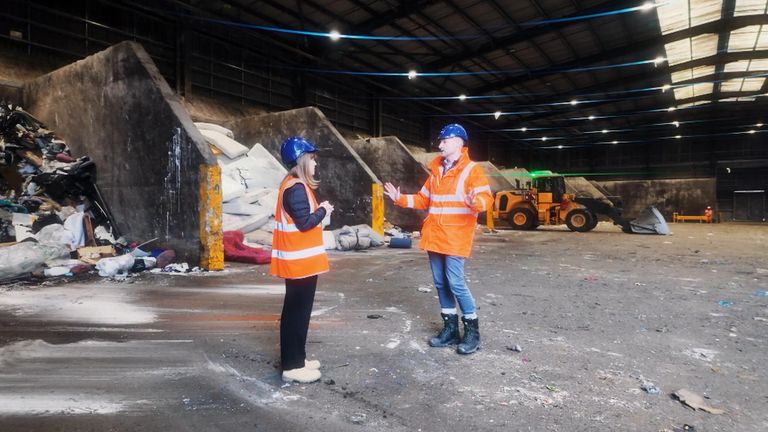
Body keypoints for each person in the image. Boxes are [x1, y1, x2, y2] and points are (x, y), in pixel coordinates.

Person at [383, 123, 493, 355]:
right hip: (435, 236)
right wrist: (400, 198)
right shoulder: (436, 172)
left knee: (456, 283)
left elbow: (485, 199)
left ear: (458, 143)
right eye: (440, 140)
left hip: (455, 237)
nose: (440, 144)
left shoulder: (472, 170)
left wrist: (476, 202)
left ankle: (472, 332)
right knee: (441, 284)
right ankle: (450, 329)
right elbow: (424, 200)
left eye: (444, 140)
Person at [270, 136, 334, 383]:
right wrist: (323, 211)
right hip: (299, 265)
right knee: (296, 313)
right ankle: (292, 366)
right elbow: (305, 222)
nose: (315, 164)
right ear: (302, 160)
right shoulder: (295, 188)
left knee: (298, 312)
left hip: (301, 263)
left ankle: (298, 358)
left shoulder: (293, 184)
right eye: (313, 159)